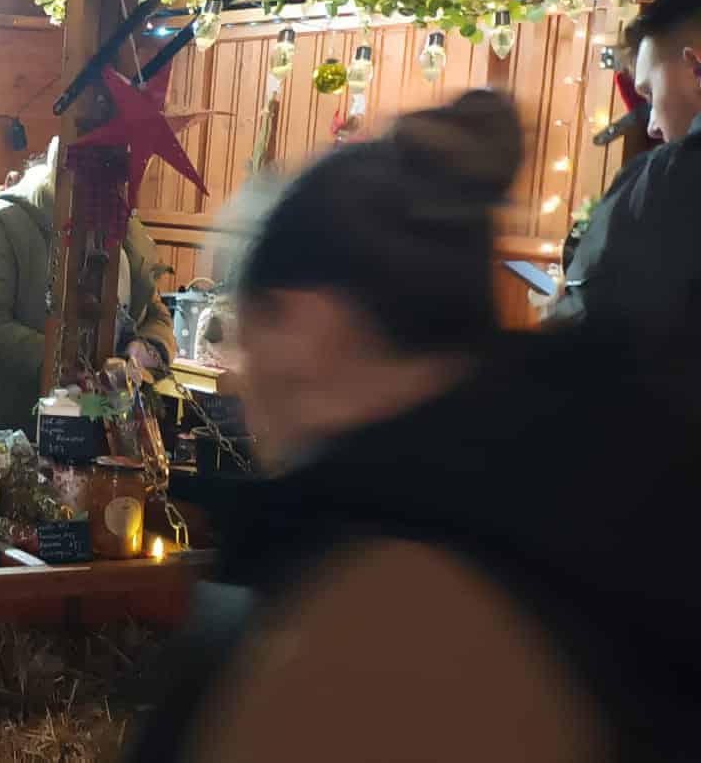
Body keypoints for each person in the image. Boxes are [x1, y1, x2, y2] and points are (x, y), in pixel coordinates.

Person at [126, 91, 701, 762]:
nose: (243, 372)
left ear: (304, 323)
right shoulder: (582, 490)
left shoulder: (373, 606)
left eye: (245, 331)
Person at [0, 155, 173, 439]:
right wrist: (63, 361)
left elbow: (155, 313)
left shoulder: (129, 237)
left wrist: (146, 349)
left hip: (98, 434)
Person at [546, 0, 701, 329]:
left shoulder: (671, 178)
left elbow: (598, 334)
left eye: (650, 93)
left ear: (697, 69)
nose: (652, 127)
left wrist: (564, 316)